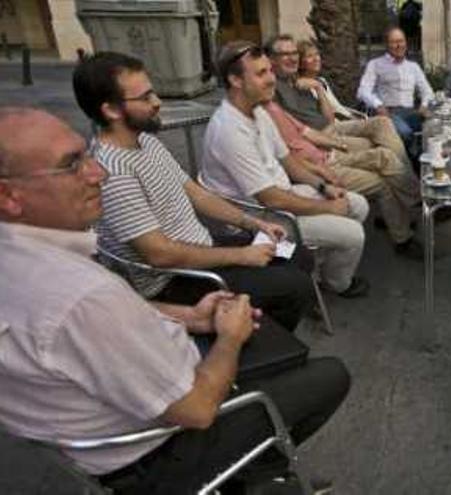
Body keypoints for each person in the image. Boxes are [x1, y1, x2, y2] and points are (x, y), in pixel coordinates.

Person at [0, 106, 350, 493]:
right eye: (71, 165)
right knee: (328, 374)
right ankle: (256, 475)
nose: (96, 173)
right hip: (156, 451)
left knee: (279, 313)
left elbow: (72, 333)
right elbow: (197, 410)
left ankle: (263, 472)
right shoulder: (81, 295)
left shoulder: (29, 263)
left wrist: (190, 317)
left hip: (106, 420)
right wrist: (229, 339)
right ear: (8, 195)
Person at [72, 52, 316, 333]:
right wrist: (242, 255)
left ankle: (257, 323)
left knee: (298, 256)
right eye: (145, 97)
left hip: (201, 246)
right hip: (172, 280)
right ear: (111, 110)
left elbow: (196, 193)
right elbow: (160, 255)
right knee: (295, 287)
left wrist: (253, 223)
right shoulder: (112, 172)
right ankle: (250, 346)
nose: (157, 102)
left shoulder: (145, 141)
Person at [200, 41, 370, 298]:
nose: (271, 79)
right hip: (260, 220)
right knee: (353, 233)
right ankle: (337, 284)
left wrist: (323, 186)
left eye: (269, 70)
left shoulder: (258, 111)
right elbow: (270, 198)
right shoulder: (229, 130)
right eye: (260, 73)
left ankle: (315, 269)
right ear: (235, 80)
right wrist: (327, 207)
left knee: (357, 204)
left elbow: (287, 160)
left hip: (282, 198)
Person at [266, 35, 410, 169]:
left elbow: (329, 119)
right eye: (286, 54)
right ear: (271, 60)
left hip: (332, 127)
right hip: (321, 136)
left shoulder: (302, 82)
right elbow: (294, 132)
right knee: (375, 145)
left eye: (294, 53)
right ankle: (407, 177)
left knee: (383, 122)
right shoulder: (273, 88)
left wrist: (318, 88)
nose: (292, 58)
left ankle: (407, 175)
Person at [357, 27, 434, 160]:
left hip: (411, 113)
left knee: (435, 127)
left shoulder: (413, 67)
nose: (399, 45)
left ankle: (423, 159)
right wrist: (378, 105)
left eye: (401, 41)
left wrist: (425, 104)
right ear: (387, 45)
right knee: (405, 132)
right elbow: (362, 91)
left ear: (405, 43)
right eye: (394, 42)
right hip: (388, 113)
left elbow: (428, 91)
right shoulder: (375, 64)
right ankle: (415, 160)